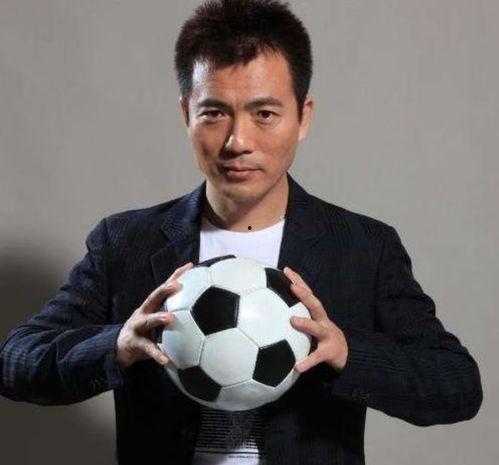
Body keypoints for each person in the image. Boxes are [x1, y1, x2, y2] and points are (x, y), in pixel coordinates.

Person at [0, 0, 483, 464]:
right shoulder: (126, 241)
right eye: (214, 113)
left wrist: (348, 353)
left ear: (303, 117)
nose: (237, 141)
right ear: (187, 115)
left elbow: (457, 385)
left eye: (264, 114)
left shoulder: (362, 247)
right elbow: (16, 361)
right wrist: (117, 346)